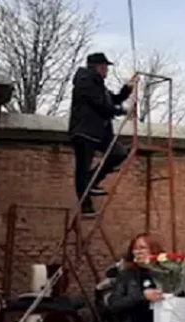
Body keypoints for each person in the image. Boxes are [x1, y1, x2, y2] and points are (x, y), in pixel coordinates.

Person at [68, 52, 133, 218]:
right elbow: (101, 105)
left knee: (119, 153)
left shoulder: (99, 85)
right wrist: (122, 111)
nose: (107, 71)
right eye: (105, 67)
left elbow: (112, 100)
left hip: (99, 132)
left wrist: (126, 91)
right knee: (82, 167)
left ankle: (92, 180)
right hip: (85, 131)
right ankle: (86, 205)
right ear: (97, 67)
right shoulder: (86, 81)